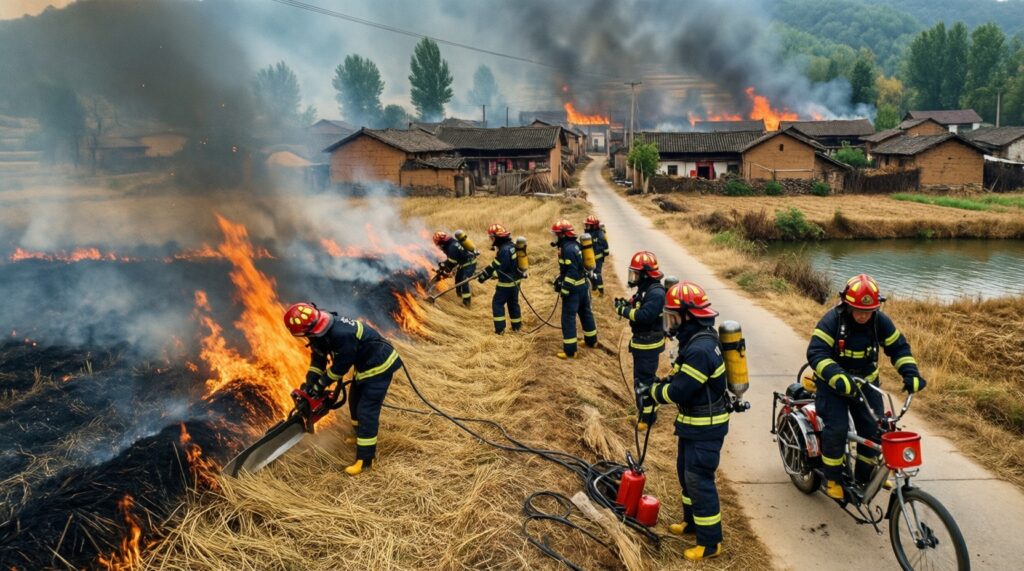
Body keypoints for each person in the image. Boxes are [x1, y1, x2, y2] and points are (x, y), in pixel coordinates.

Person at [806, 273, 925, 500]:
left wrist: (911, 373)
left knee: (875, 431)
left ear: (876, 308)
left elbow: (898, 348)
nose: (862, 315)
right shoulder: (832, 321)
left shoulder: (881, 322)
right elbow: (816, 353)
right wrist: (837, 376)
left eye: (868, 311)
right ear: (846, 305)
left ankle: (865, 475)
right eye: (858, 310)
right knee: (837, 429)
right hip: (834, 387)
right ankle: (832, 478)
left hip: (866, 385)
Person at [641, 281, 728, 560]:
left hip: (705, 427)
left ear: (689, 315)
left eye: (674, 315)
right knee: (685, 474)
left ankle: (710, 544)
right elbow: (681, 378)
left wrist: (654, 391)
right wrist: (663, 383)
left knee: (699, 479)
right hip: (693, 424)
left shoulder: (700, 349)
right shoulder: (695, 339)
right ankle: (692, 523)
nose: (670, 321)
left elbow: (681, 390)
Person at [284, 301, 401, 476]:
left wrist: (321, 385)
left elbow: (340, 367)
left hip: (379, 365)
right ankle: (359, 436)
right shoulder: (320, 330)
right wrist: (310, 383)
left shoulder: (341, 334)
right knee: (354, 402)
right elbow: (319, 360)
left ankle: (366, 460)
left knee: (366, 411)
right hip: (364, 366)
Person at [613, 251, 665, 431]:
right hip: (642, 342)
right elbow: (637, 303)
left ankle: (647, 418)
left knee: (644, 381)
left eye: (636, 273)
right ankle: (647, 409)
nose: (633, 277)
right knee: (643, 378)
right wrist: (626, 304)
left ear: (645, 274)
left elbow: (644, 316)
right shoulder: (645, 289)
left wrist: (624, 312)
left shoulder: (656, 293)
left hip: (649, 344)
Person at [551, 219, 597, 358]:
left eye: (556, 234)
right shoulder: (574, 245)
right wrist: (560, 279)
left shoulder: (568, 249)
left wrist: (565, 289)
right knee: (585, 313)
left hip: (574, 291)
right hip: (582, 287)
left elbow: (572, 272)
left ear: (563, 235)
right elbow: (572, 269)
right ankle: (591, 341)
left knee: (568, 318)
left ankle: (570, 351)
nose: (555, 237)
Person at [477, 223, 523, 334]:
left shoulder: (504, 250)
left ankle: (500, 330)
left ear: (497, 237)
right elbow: (496, 263)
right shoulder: (511, 246)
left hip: (506, 284)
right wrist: (485, 273)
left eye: (492, 238)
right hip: (515, 282)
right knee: (513, 304)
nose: (491, 240)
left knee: (497, 303)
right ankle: (517, 327)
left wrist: (491, 275)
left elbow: (502, 269)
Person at [432, 230, 477, 306]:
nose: (439, 247)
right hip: (463, 263)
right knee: (458, 281)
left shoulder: (451, 248)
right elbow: (451, 260)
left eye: (439, 245)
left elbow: (451, 264)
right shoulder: (451, 243)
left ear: (442, 243)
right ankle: (459, 295)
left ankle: (466, 303)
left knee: (464, 281)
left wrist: (444, 271)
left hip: (469, 263)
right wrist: (443, 266)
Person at [583, 215, 609, 297]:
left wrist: (602, 255)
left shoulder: (600, 234)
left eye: (588, 225)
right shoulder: (588, 233)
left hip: (598, 259)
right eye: (586, 225)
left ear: (593, 226)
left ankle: (601, 292)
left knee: (597, 274)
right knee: (589, 274)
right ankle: (594, 288)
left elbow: (606, 248)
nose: (586, 227)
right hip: (590, 258)